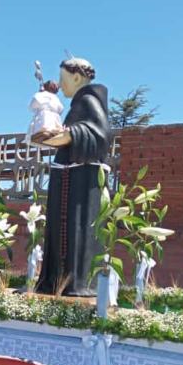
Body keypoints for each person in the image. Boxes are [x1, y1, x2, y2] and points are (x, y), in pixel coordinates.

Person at [36, 57, 110, 296]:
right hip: (68, 177)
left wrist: (66, 135)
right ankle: (56, 281)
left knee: (76, 231)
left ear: (77, 77)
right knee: (61, 231)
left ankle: (75, 284)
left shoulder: (88, 101)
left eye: (63, 78)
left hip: (81, 184)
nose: (59, 83)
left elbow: (99, 134)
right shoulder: (76, 104)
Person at [27, 80, 64, 145]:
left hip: (44, 118)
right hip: (55, 120)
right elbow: (61, 109)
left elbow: (32, 105)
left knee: (43, 129)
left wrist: (40, 93)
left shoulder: (41, 95)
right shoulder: (56, 98)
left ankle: (43, 133)